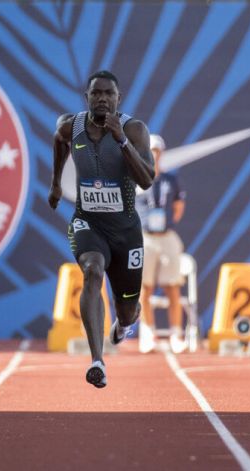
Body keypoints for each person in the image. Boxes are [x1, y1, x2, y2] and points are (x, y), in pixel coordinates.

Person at [48, 70, 154, 388]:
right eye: (96, 93)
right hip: (88, 222)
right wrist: (55, 183)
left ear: (118, 99)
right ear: (87, 98)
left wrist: (120, 139)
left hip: (126, 232)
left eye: (109, 94)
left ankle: (122, 328)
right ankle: (97, 360)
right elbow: (59, 140)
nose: (102, 99)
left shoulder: (134, 130)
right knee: (92, 271)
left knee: (127, 310)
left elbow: (147, 180)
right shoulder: (72, 125)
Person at [135, 134, 188, 354]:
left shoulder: (170, 180)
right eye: (151, 150)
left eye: (157, 151)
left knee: (172, 286)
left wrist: (166, 224)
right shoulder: (135, 178)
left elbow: (178, 206)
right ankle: (148, 333)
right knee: (143, 288)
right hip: (145, 237)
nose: (154, 154)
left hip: (166, 236)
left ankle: (176, 333)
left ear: (161, 153)